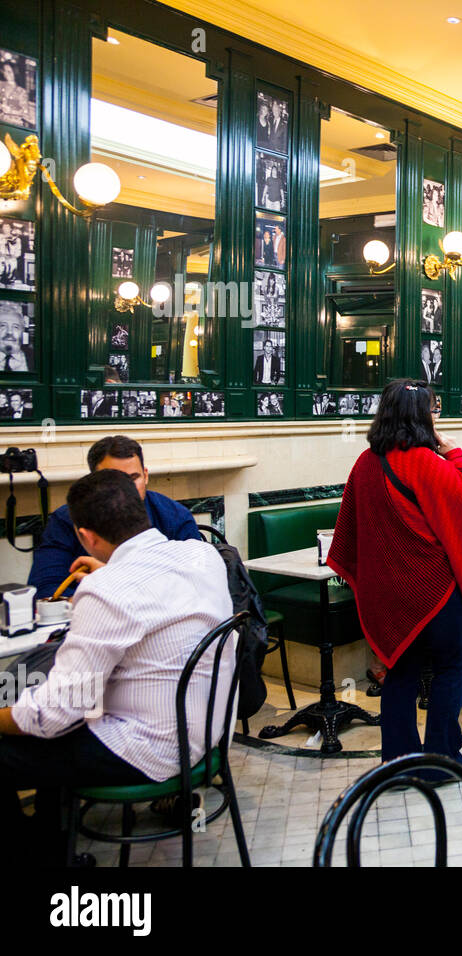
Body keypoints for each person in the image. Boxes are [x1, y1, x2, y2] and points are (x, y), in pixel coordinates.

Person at [0, 469, 235, 864]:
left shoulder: (104, 590)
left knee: (29, 733)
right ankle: (51, 842)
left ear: (86, 536)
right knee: (56, 730)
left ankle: (34, 854)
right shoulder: (202, 556)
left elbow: (54, 713)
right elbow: (152, 590)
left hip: (152, 751)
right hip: (208, 730)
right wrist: (110, 572)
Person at [327, 379, 462, 768]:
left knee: (399, 673)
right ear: (420, 416)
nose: (437, 417)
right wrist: (456, 454)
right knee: (450, 667)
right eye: (433, 410)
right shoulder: (427, 462)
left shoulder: (365, 463)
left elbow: (352, 528)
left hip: (387, 594)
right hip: (435, 590)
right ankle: (440, 760)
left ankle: (398, 763)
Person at [27, 435, 203, 599]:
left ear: (145, 476)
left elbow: (195, 584)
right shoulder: (67, 520)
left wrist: (111, 582)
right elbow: (45, 589)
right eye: (114, 481)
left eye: (133, 478)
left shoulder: (175, 516)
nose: (126, 489)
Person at [0, 300, 33, 372]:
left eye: (15, 327)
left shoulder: (35, 357)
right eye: (3, 326)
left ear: (22, 330)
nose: (9, 332)